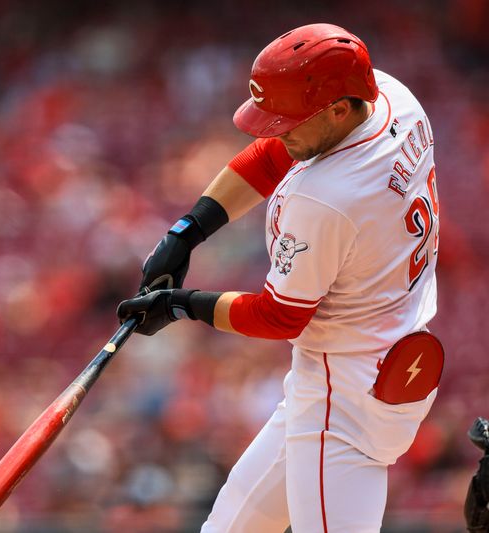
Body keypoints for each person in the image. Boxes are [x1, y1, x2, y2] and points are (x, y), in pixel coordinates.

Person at [117, 23, 444, 532]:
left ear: (338, 108)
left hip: (343, 406)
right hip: (378, 363)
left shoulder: (327, 197)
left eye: (289, 120)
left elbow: (280, 316)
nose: (275, 130)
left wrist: (181, 304)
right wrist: (187, 232)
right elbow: (275, 151)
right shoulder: (392, 98)